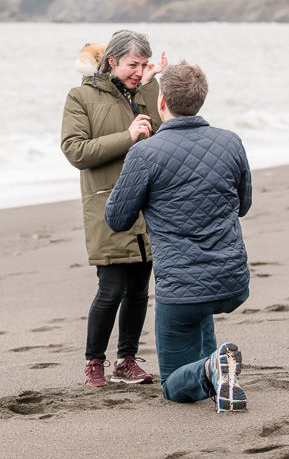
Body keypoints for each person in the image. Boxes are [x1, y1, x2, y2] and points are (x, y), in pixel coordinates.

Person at [104, 62, 252, 412]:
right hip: (232, 282)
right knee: (200, 316)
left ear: (161, 101)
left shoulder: (145, 152)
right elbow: (243, 205)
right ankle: (218, 372)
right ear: (201, 101)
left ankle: (211, 368)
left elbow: (117, 219)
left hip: (182, 289)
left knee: (173, 385)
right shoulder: (231, 142)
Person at [60, 30, 167, 388]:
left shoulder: (144, 91)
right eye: (133, 64)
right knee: (110, 290)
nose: (139, 71)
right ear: (112, 61)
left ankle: (127, 361)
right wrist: (128, 137)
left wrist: (149, 85)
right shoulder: (80, 96)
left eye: (144, 64)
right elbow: (75, 151)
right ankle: (94, 363)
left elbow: (163, 134)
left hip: (146, 206)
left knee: (139, 290)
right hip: (106, 204)